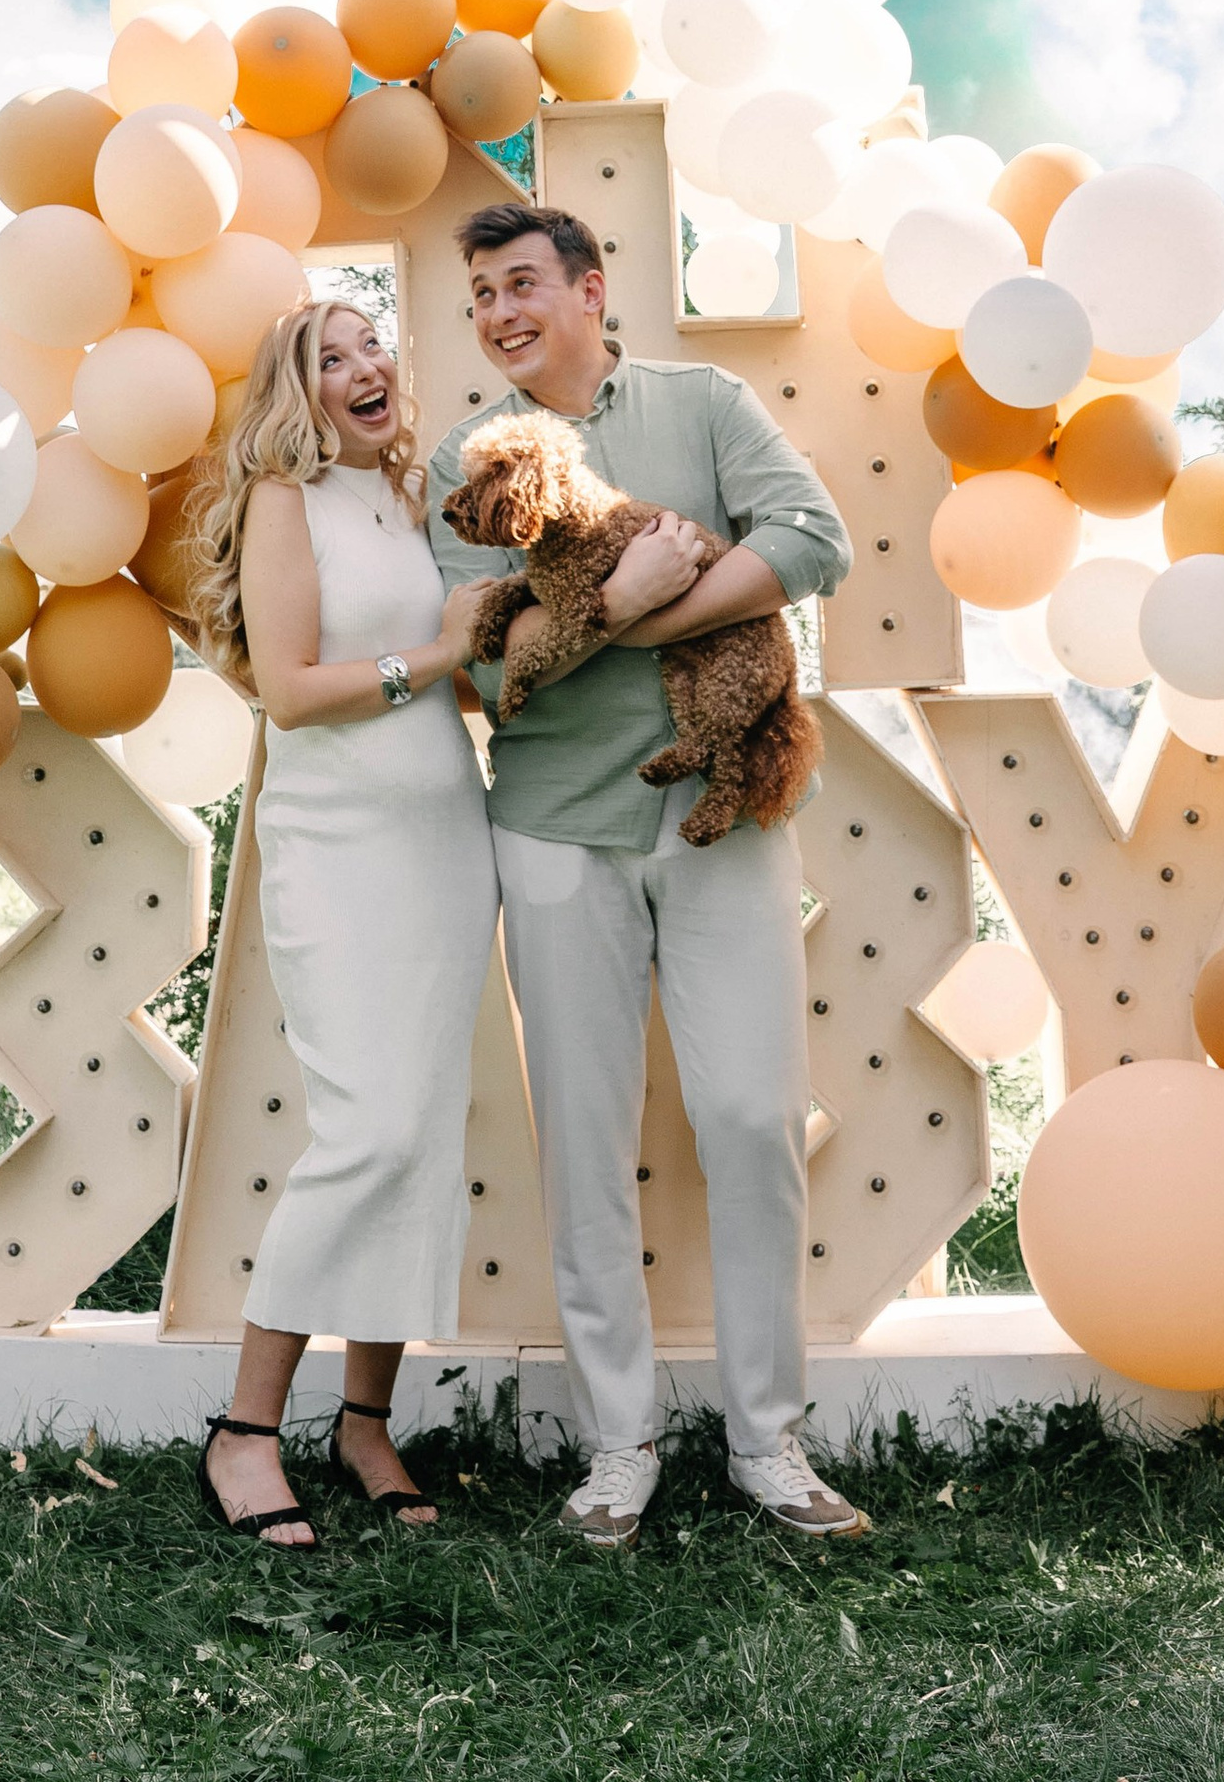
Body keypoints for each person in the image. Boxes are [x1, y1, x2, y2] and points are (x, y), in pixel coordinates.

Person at [426, 199, 866, 1548]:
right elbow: (486, 669)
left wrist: (645, 612)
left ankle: (767, 1444)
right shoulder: (468, 463)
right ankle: (619, 1449)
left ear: (589, 287)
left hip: (718, 825)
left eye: (517, 286)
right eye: (482, 298)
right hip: (553, 829)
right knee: (586, 1150)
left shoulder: (707, 401)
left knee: (750, 1121)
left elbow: (813, 540)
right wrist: (624, 610)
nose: (499, 314)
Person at [189, 298, 496, 1547]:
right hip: (338, 852)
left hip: (444, 850)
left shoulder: (414, 496)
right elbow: (291, 692)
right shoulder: (283, 498)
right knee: (365, 1133)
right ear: (296, 388)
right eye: (332, 355)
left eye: (375, 344)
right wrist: (438, 655)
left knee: (421, 1134)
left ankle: (367, 1420)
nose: (365, 365)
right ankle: (246, 1429)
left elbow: (465, 664)